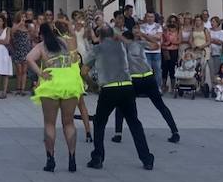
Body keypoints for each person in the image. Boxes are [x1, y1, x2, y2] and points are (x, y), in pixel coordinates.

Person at [87, 25, 153, 171]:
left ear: (100, 37)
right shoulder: (122, 46)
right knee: (134, 123)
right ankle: (146, 158)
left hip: (109, 88)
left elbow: (84, 70)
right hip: (127, 87)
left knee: (100, 123)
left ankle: (98, 157)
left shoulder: (97, 49)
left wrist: (92, 85)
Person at [26, 19, 84, 172]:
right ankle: (72, 158)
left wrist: (40, 73)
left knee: (50, 123)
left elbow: (29, 58)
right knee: (69, 123)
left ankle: (50, 160)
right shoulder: (67, 42)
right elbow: (74, 52)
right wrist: (63, 20)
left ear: (42, 35)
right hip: (69, 83)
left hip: (51, 83)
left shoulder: (41, 46)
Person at [111, 28, 179, 145]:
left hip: (134, 79)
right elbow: (156, 46)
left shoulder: (121, 47)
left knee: (121, 105)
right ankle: (174, 131)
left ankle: (118, 134)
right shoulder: (140, 43)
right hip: (148, 77)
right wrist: (143, 35)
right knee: (160, 105)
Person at [10, 11, 34, 95]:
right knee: (19, 70)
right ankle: (18, 88)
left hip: (26, 50)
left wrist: (30, 27)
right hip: (18, 50)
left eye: (24, 16)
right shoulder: (16, 25)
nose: (24, 18)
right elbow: (12, 31)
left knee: (24, 70)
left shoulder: (27, 26)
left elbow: (32, 34)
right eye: (22, 16)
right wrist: (20, 23)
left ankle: (23, 89)